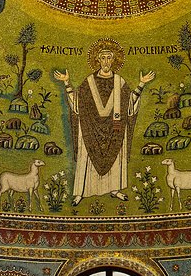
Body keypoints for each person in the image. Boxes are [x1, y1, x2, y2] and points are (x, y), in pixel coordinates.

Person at [53, 39, 154, 206]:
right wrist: (66, 82)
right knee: (87, 157)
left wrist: (141, 84)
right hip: (90, 128)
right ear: (98, 60)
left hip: (115, 129)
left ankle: (114, 189)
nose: (106, 61)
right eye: (103, 58)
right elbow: (77, 104)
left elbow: (129, 105)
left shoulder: (120, 82)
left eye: (109, 58)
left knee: (116, 157)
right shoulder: (89, 82)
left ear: (113, 60)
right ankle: (81, 192)